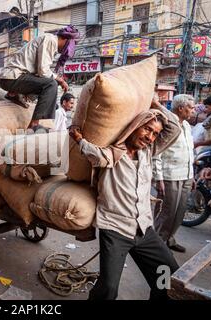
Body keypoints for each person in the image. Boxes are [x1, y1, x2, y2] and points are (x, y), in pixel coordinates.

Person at [69, 101, 181, 300]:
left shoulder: (148, 152)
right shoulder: (113, 154)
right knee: (108, 289)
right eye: (147, 129)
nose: (150, 137)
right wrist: (78, 137)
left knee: (168, 277)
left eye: (155, 134)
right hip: (116, 231)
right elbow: (92, 153)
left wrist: (154, 103)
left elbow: (174, 128)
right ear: (135, 126)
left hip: (144, 229)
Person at [0, 25, 80, 131]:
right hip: (11, 77)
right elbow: (43, 71)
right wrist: (59, 79)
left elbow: (39, 72)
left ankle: (13, 94)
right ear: (65, 39)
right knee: (51, 84)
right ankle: (34, 124)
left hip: (11, 78)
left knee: (47, 82)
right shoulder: (50, 40)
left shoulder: (50, 41)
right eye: (71, 45)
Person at [152, 94, 195, 253]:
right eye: (190, 107)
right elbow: (157, 153)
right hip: (170, 175)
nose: (193, 110)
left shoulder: (187, 126)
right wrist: (158, 178)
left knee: (180, 211)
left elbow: (189, 151)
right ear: (181, 108)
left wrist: (192, 174)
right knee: (166, 212)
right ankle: (157, 244)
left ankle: (169, 239)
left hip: (186, 175)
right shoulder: (167, 124)